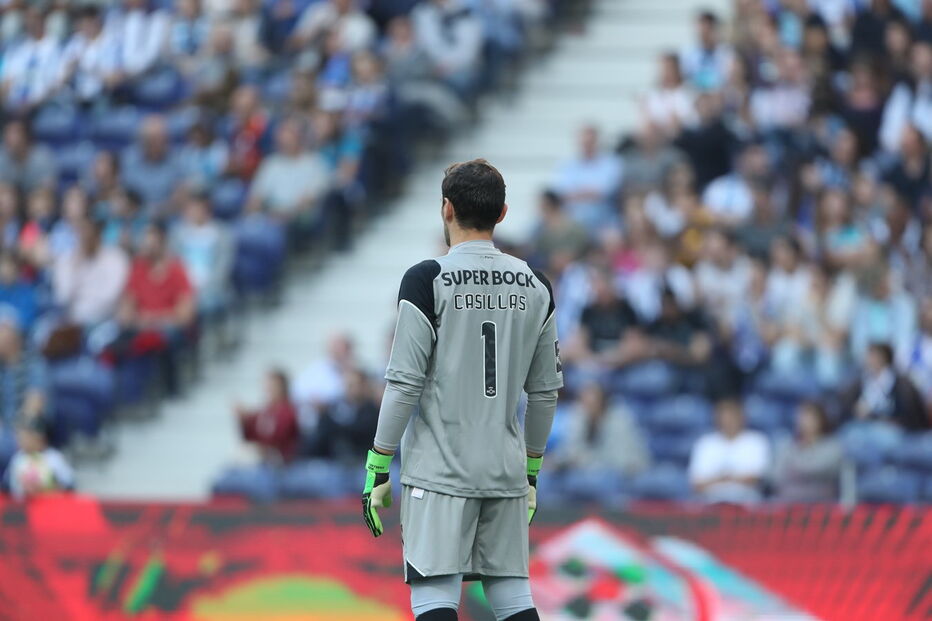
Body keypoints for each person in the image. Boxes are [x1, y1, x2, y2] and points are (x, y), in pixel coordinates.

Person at [362, 159, 562, 621]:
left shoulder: (426, 279)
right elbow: (545, 393)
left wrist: (378, 464)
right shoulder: (536, 284)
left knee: (434, 595)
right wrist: (531, 472)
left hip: (440, 471)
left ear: (446, 209)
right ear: (503, 213)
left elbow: (404, 382)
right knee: (513, 596)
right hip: (505, 470)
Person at [119, 221, 196, 395]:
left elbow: (185, 313)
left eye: (152, 244)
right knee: (121, 336)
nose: (147, 249)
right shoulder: (137, 268)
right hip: (141, 324)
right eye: (145, 245)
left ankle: (171, 387)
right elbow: (127, 305)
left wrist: (155, 320)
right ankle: (132, 392)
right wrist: (135, 319)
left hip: (169, 325)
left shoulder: (177, 269)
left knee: (168, 335)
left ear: (162, 244)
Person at [688, 398, 770, 504]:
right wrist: (731, 478)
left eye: (732, 416)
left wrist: (719, 479)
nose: (728, 421)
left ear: (742, 417)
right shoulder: (705, 443)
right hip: (711, 503)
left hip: (746, 503)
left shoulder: (757, 441)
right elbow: (697, 484)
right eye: (724, 416)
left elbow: (756, 479)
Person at [52, 217, 130, 327]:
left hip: (105, 319)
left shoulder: (115, 258)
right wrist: (75, 268)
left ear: (97, 233)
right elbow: (62, 297)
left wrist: (85, 311)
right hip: (72, 320)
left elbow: (112, 296)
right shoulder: (67, 260)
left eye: (86, 231)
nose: (83, 237)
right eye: (79, 232)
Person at [846, 342, 930, 430]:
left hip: (895, 429)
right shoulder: (862, 380)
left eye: (874, 356)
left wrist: (879, 417)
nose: (869, 360)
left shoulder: (900, 383)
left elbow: (908, 414)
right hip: (866, 426)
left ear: (884, 358)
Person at [773, 402, 843, 503]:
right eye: (803, 418)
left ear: (821, 419)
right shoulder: (787, 446)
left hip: (822, 503)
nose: (805, 422)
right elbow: (776, 476)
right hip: (788, 501)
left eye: (810, 418)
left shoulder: (832, 445)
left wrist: (794, 469)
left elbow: (818, 469)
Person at [235, 367, 299, 464]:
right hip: (265, 455)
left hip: (282, 459)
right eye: (267, 385)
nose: (269, 389)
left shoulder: (288, 410)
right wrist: (244, 421)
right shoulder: (265, 410)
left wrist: (262, 447)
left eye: (272, 386)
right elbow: (250, 437)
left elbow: (281, 437)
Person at [6, 416, 74, 500]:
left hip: (50, 504)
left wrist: (51, 487)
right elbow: (7, 488)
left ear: (39, 437)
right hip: (23, 506)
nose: (21, 441)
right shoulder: (18, 458)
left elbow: (69, 485)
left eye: (26, 436)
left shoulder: (54, 458)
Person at [0, 119, 57, 194]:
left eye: (15, 134)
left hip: (36, 196)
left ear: (26, 137)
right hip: (11, 198)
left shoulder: (42, 158)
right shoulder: (2, 156)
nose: (10, 138)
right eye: (7, 134)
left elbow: (48, 189)